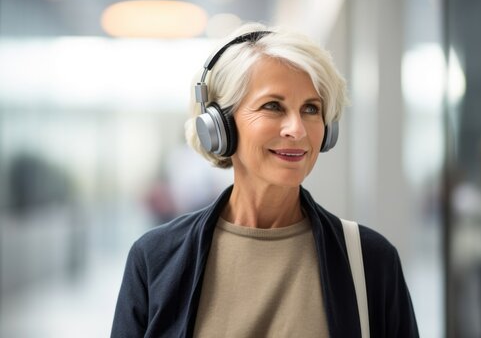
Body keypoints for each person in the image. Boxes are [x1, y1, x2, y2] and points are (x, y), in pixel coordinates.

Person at [111, 23, 419, 337]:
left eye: (311, 109)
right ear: (220, 126)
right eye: (273, 106)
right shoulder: (156, 257)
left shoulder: (370, 260)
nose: (297, 130)